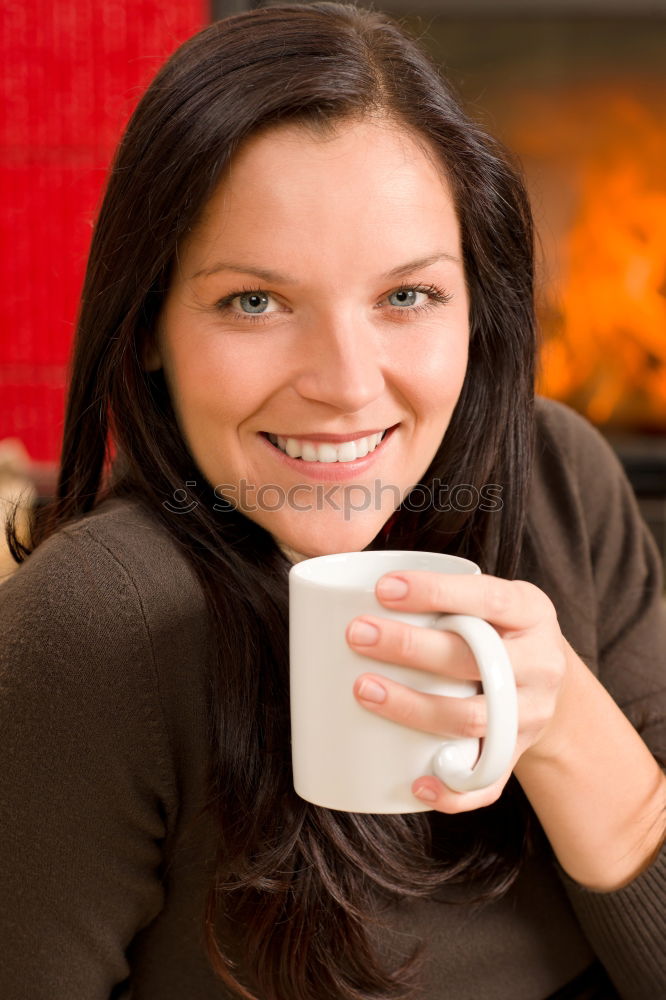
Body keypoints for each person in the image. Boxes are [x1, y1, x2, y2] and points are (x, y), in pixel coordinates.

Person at [1, 3, 664, 998]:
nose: (348, 383)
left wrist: (563, 721)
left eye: (407, 296)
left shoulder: (560, 482)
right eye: (255, 302)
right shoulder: (101, 619)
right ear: (149, 324)